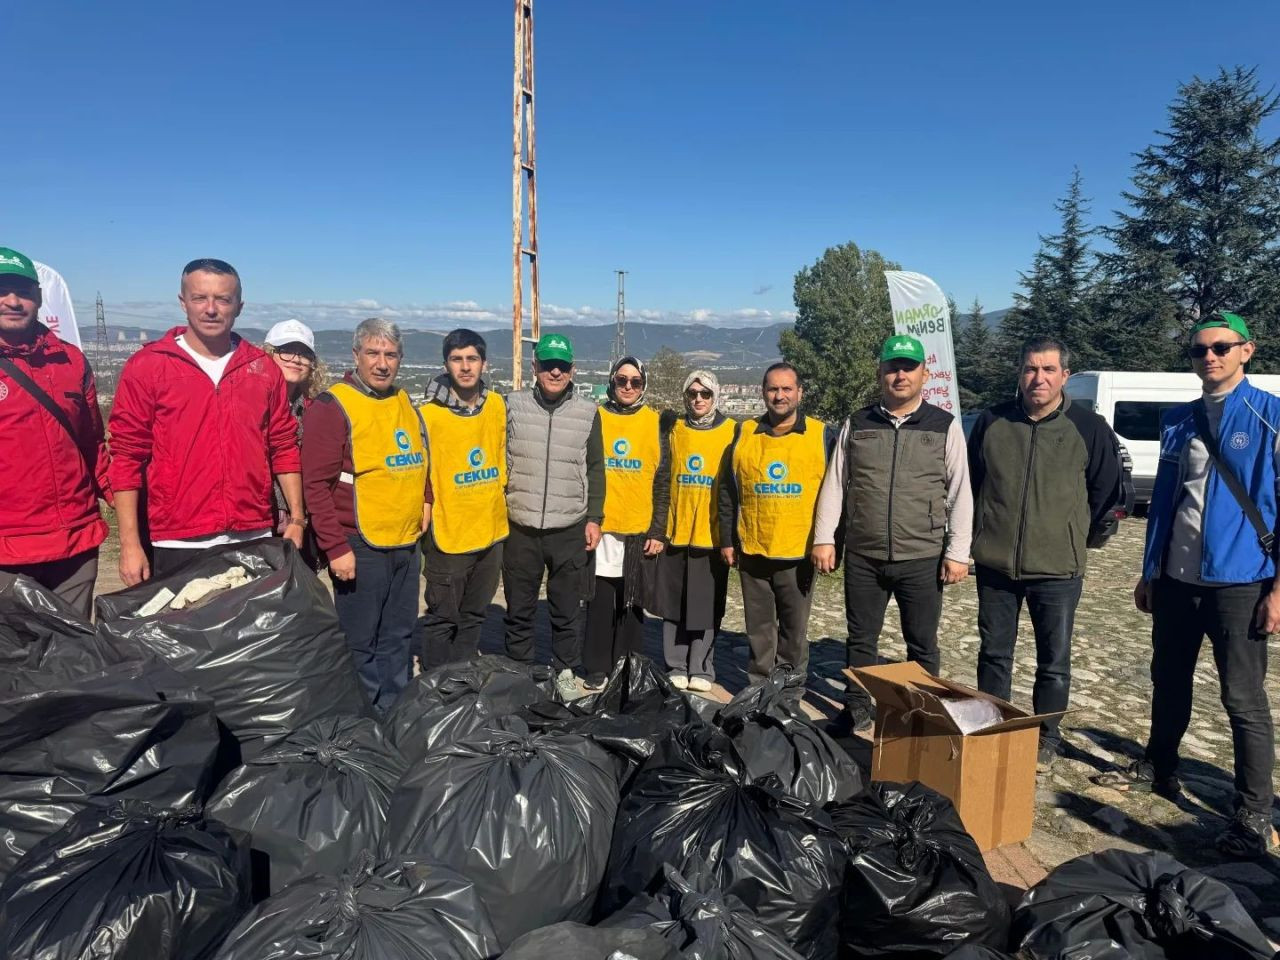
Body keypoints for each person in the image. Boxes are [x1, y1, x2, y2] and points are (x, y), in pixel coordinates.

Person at [1107, 311, 1278, 857]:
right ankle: (1160, 766)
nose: (1210, 357)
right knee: (1169, 680)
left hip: (1241, 583)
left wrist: (1279, 591)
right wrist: (1150, 569)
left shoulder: (1270, 417)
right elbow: (1163, 504)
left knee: (1243, 700)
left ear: (1246, 351)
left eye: (1221, 347)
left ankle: (1252, 813)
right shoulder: (1179, 419)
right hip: (1176, 581)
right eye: (1199, 350)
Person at [967, 336, 1122, 768]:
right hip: (996, 563)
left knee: (1053, 661)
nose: (1039, 378)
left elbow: (1104, 493)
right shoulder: (992, 421)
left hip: (1058, 570)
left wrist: (1072, 537)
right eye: (1031, 369)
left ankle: (1046, 736)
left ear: (1064, 376)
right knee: (994, 654)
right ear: (1020, 374)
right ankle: (991, 727)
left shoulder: (1089, 428)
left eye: (1049, 370)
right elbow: (976, 482)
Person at [812, 334, 974, 737]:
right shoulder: (858, 422)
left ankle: (921, 714)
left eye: (909, 367)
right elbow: (835, 483)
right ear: (880, 372)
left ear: (924, 373)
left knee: (921, 643)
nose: (900, 375)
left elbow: (960, 490)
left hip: (921, 555)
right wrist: (824, 537)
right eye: (892, 367)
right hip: (865, 554)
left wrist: (958, 552)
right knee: (861, 639)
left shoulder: (943, 425)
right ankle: (856, 708)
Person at [109, 259, 304, 584]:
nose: (211, 309)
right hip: (176, 538)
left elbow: (283, 446)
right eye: (200, 298)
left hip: (251, 533)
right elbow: (127, 457)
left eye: (223, 299)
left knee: (246, 634)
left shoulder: (261, 368)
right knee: (182, 632)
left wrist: (297, 517)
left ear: (239, 306)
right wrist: (129, 544)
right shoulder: (148, 366)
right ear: (183, 302)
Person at [302, 318, 431, 715]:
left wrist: (425, 499)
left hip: (405, 542)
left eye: (390, 355)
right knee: (361, 640)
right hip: (359, 542)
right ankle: (363, 717)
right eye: (373, 353)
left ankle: (394, 711)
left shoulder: (403, 401)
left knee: (398, 634)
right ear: (356, 355)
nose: (381, 363)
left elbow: (419, 457)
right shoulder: (333, 406)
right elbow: (315, 486)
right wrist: (335, 547)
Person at [0, 247, 111, 618]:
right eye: (2, 289)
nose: (13, 301)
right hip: (7, 548)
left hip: (75, 541)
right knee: (14, 663)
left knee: (70, 659)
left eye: (23, 291)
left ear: (39, 297)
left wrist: (132, 503)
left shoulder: (69, 360)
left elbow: (92, 444)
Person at [718, 362, 834, 697]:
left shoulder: (821, 435)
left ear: (800, 393)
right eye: (772, 389)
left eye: (786, 389)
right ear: (762, 392)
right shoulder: (743, 434)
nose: (779, 395)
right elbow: (728, 490)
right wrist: (728, 539)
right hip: (753, 548)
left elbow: (840, 492)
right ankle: (758, 689)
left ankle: (789, 693)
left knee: (794, 631)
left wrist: (831, 542)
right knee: (759, 629)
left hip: (799, 551)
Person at [503, 332, 604, 700]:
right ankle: (520, 670)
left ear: (573, 369)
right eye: (548, 365)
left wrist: (594, 517)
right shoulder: (511, 406)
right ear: (535, 367)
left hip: (569, 526)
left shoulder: (588, 412)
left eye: (562, 366)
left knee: (565, 610)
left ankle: (563, 669)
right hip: (521, 526)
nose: (555, 372)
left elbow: (595, 468)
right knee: (519, 608)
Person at [419, 328, 508, 668]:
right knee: (443, 618)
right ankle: (435, 685)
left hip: (491, 530)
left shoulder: (497, 405)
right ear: (446, 364)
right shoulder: (429, 415)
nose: (465, 367)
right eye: (457, 359)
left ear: (484, 364)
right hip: (449, 534)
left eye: (472, 359)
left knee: (474, 615)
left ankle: (464, 677)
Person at [581, 355, 670, 690]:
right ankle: (596, 666)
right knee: (599, 600)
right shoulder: (596, 417)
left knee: (632, 603)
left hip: (638, 527)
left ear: (643, 384)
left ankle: (629, 666)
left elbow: (662, 482)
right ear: (612, 382)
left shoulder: (656, 423)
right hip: (601, 525)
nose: (628, 387)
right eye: (622, 380)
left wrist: (659, 529)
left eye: (635, 381)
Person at [653, 370, 735, 692]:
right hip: (676, 530)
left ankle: (701, 666)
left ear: (716, 396)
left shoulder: (732, 430)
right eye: (692, 393)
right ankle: (675, 663)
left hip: (711, 535)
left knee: (706, 604)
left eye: (705, 394)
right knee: (674, 602)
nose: (698, 399)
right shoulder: (675, 429)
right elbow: (661, 475)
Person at [264, 319, 326, 568]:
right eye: (286, 350)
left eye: (304, 354)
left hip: (301, 521)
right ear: (269, 354)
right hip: (260, 518)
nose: (296, 359)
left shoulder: (312, 408)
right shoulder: (251, 404)